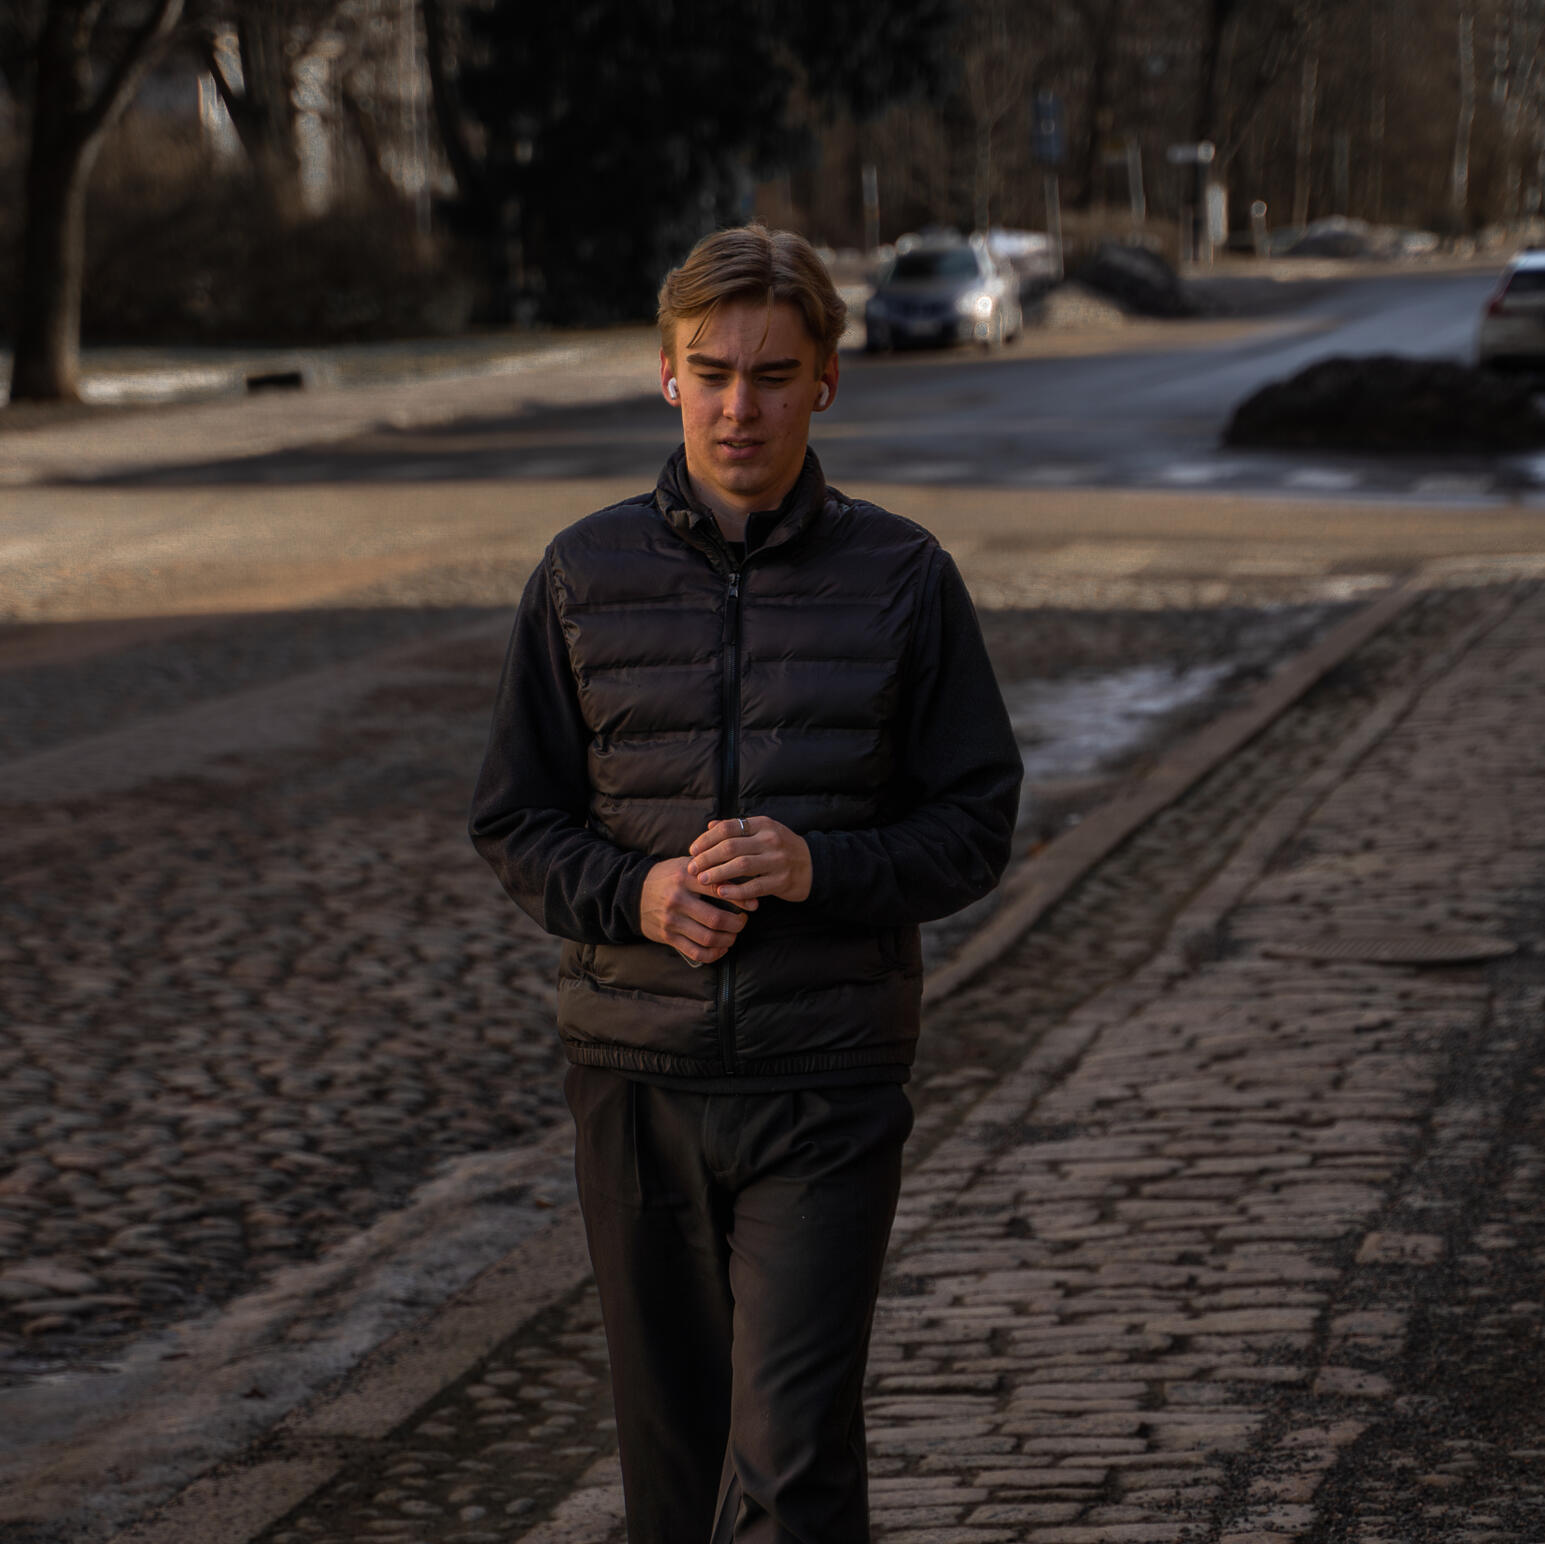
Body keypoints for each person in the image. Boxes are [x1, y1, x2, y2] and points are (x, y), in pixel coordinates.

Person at [469, 223, 1022, 1543]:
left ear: (825, 379)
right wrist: (639, 896)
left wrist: (820, 866)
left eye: (773, 376)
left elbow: (973, 825)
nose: (739, 408)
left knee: (789, 1459)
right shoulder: (581, 576)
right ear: (666, 373)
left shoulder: (903, 579)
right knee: (673, 1475)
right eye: (711, 373)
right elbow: (515, 819)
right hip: (635, 1080)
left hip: (824, 1083)